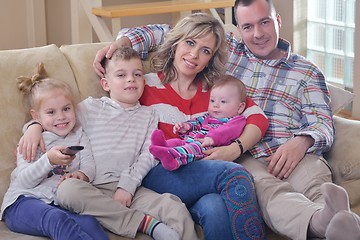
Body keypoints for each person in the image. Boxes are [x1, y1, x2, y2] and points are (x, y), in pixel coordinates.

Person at [92, 1, 360, 239]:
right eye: (248, 26)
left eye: (264, 22)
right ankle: (323, 221)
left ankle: (336, 222)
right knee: (252, 182)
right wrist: (122, 46)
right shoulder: (152, 82)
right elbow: (165, 33)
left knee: (310, 189)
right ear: (239, 30)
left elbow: (293, 120)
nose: (257, 33)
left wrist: (300, 142)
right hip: (234, 160)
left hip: (284, 151)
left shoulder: (218, 88)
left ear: (278, 21)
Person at [22, 14, 269, 240]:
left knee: (215, 208)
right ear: (176, 44)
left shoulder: (216, 93)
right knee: (235, 175)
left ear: (211, 59)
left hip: (202, 174)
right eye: (189, 43)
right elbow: (64, 114)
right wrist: (34, 125)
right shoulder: (146, 85)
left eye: (205, 50)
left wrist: (235, 148)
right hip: (164, 173)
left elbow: (257, 118)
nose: (194, 55)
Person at [19, 47, 198, 240]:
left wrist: (127, 187)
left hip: (128, 186)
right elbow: (58, 118)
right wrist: (33, 126)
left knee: (174, 207)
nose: (130, 79)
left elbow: (149, 155)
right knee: (67, 190)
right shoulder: (90, 107)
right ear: (106, 83)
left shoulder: (149, 115)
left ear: (143, 82)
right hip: (91, 186)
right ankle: (140, 222)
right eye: (121, 74)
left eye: (137, 74)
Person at [0, 63, 109, 240]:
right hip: (23, 202)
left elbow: (89, 166)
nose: (61, 117)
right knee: (56, 219)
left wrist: (81, 174)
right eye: (51, 112)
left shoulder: (79, 135)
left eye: (66, 109)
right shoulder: (33, 138)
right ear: (36, 116)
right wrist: (48, 160)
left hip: (57, 203)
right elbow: (24, 180)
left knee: (89, 223)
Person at [150, 75, 248, 171]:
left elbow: (227, 131)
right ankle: (162, 146)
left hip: (209, 148)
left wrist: (212, 138)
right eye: (212, 100)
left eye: (223, 102)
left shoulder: (237, 120)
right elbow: (197, 122)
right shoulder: (208, 116)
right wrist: (187, 126)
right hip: (191, 140)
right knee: (177, 142)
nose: (215, 105)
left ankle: (172, 159)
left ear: (240, 107)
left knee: (193, 148)